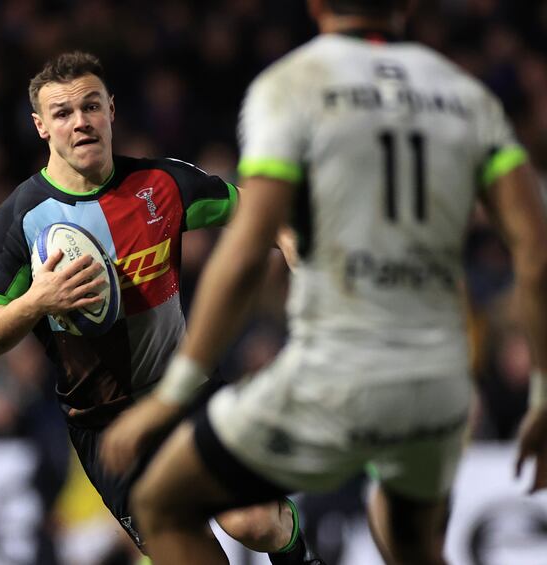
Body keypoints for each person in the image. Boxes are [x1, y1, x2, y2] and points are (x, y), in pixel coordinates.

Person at [100, 1, 547, 564]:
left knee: (162, 501)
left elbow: (242, 251)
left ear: (314, 6)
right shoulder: (466, 96)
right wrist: (543, 394)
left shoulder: (292, 86)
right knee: (410, 542)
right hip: (437, 377)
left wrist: (171, 393)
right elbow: (536, 255)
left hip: (333, 369)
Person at [0, 51, 323, 564]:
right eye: (63, 113)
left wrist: (297, 256)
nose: (80, 121)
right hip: (106, 427)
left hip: (186, 393)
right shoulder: (15, 222)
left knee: (254, 520)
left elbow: (262, 214)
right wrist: (38, 300)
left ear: (111, 110)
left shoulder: (163, 185)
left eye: (91, 106)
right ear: (41, 127)